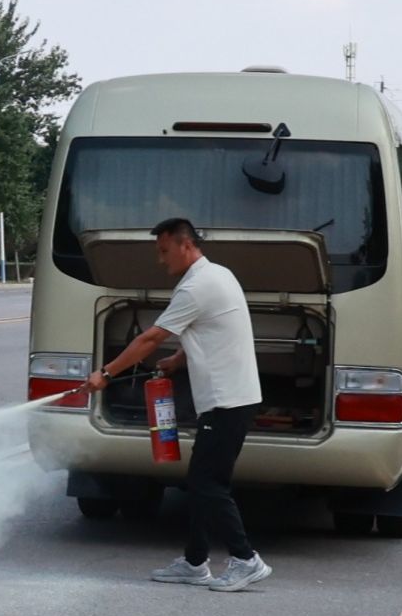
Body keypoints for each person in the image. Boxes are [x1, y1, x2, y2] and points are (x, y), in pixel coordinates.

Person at [89, 216, 271, 592]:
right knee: (203, 482)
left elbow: (150, 339)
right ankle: (194, 562)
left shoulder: (196, 287)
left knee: (207, 483)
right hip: (231, 398)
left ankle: (246, 560)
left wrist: (105, 374)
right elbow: (212, 329)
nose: (161, 260)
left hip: (226, 400)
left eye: (164, 250)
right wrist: (179, 359)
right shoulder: (218, 275)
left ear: (185, 245)